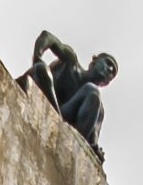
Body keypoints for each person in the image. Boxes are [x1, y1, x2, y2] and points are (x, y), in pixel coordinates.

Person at [27, 30, 118, 158]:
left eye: (112, 73)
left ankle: (69, 146)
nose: (109, 70)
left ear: (106, 83)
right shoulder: (70, 62)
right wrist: (37, 55)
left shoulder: (96, 107)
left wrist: (97, 152)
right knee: (41, 68)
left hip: (66, 132)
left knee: (92, 92)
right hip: (46, 101)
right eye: (108, 63)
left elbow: (92, 143)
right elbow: (47, 37)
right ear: (94, 61)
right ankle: (58, 119)